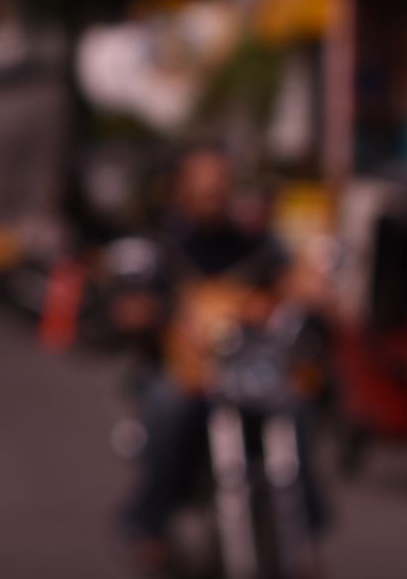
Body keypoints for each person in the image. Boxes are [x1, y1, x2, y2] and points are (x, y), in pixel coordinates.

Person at [116, 148, 315, 573]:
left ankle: (304, 535)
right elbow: (129, 306)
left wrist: (281, 301)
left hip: (248, 375)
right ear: (183, 193)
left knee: (296, 409)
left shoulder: (255, 244)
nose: (213, 199)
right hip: (184, 375)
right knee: (167, 407)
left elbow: (295, 285)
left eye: (220, 190)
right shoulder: (163, 246)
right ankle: (150, 523)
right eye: (203, 191)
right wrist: (157, 314)